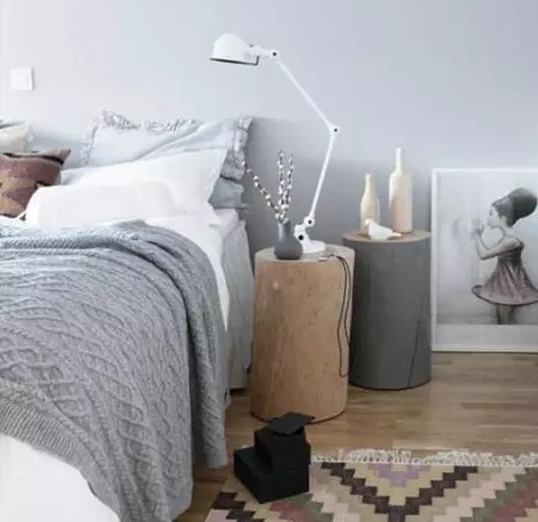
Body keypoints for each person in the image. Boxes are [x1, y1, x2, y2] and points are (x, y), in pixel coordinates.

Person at [471, 187, 538, 325]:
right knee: (503, 320)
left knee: (504, 321)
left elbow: (483, 254)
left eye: (491, 214)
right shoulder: (508, 238)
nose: (488, 218)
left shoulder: (510, 240)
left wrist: (477, 235)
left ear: (503, 218)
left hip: (509, 283)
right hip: (505, 280)